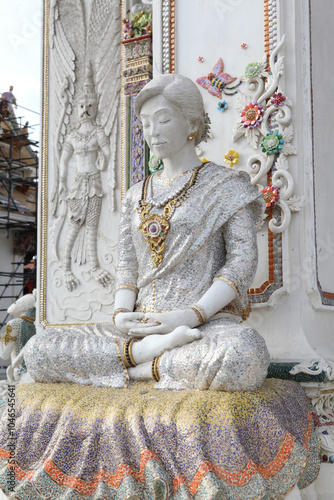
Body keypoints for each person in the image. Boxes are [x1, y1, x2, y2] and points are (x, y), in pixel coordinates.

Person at [25, 73, 270, 391]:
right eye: (145, 123)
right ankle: (145, 355)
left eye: (163, 119)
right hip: (138, 326)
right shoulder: (134, 195)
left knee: (243, 355)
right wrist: (121, 314)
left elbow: (241, 264)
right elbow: (127, 268)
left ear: (192, 123)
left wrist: (189, 316)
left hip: (201, 325)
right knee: (39, 350)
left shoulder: (227, 185)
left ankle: (139, 366)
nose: (152, 132)